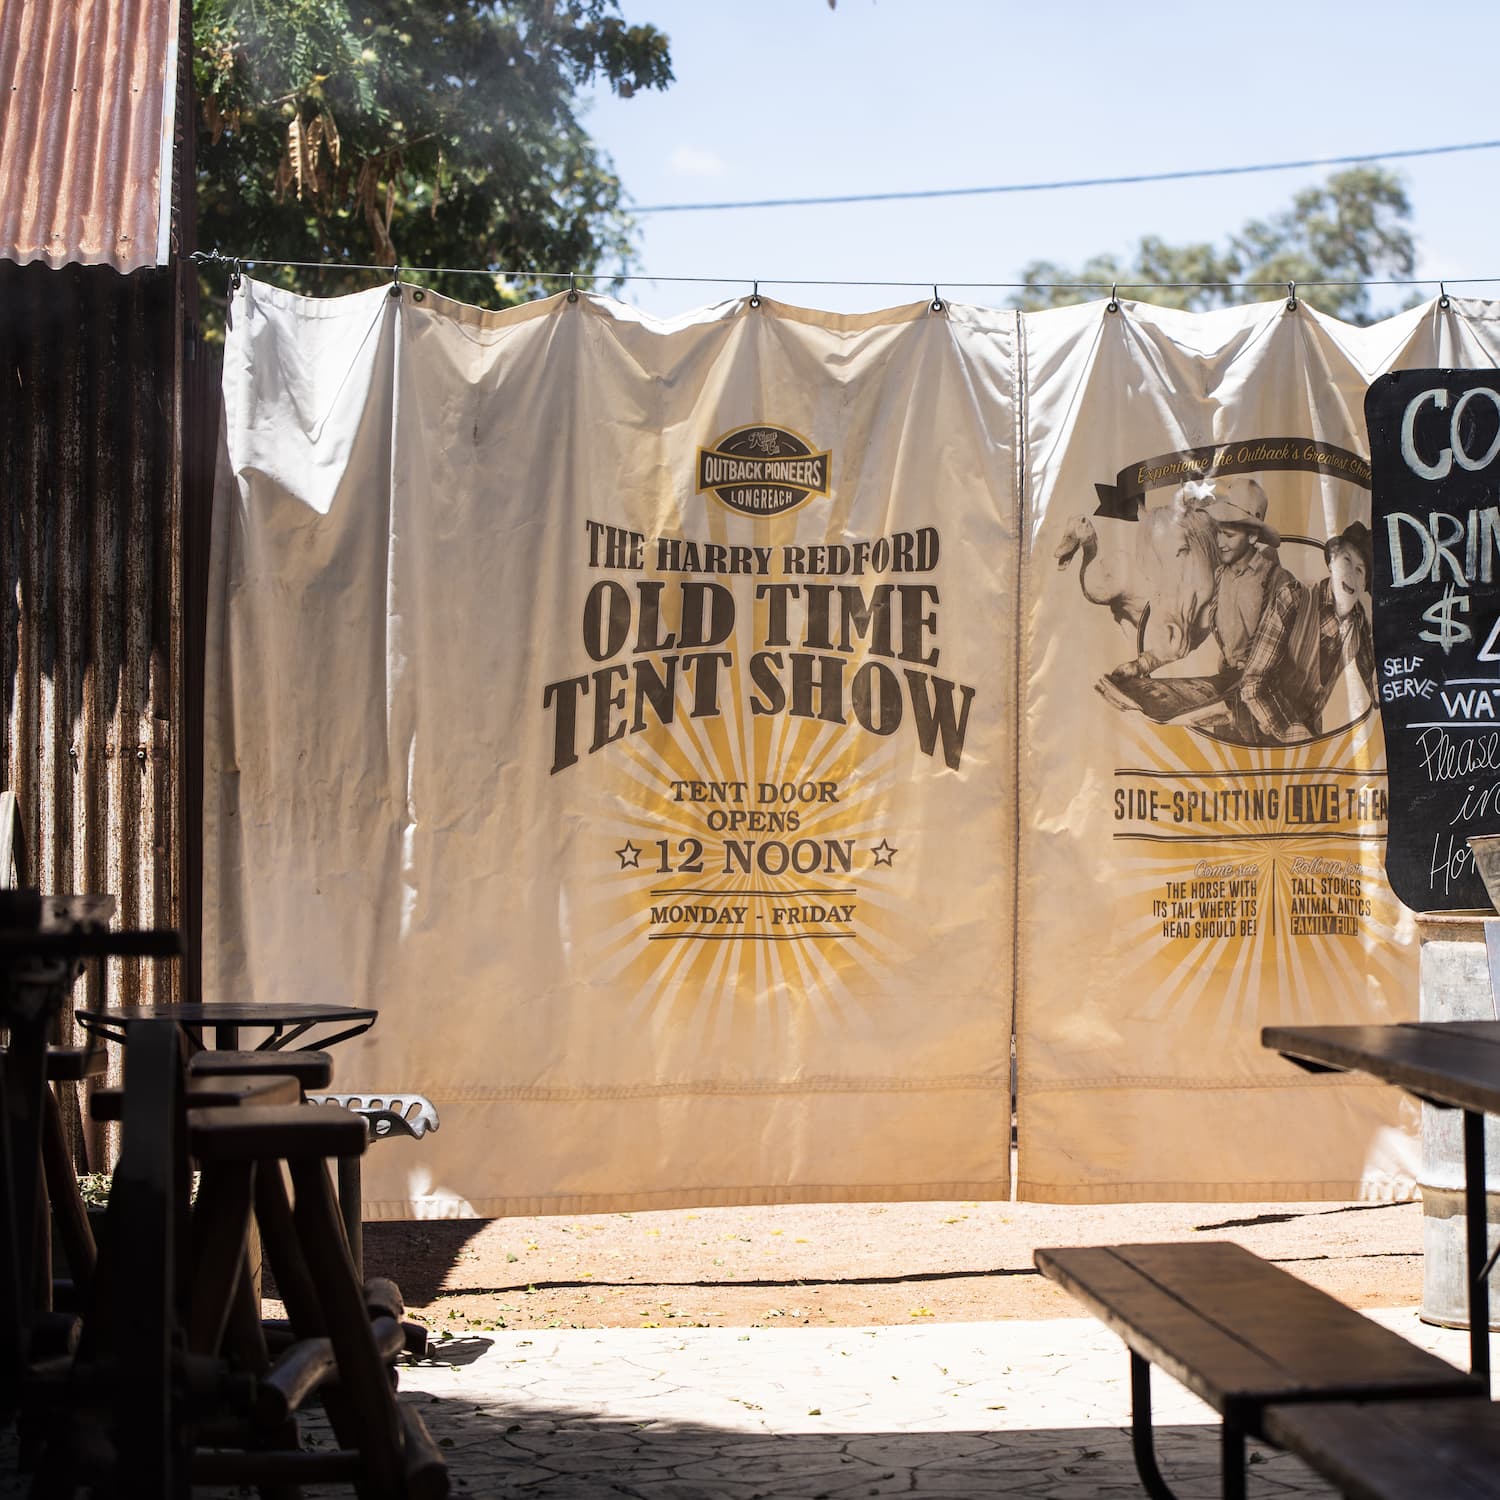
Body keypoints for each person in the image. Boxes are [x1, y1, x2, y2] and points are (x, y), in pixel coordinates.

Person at [1235, 521, 1375, 742]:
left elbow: (1377, 682)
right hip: (1255, 728)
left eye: (1360, 570)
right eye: (1346, 560)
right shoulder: (1294, 598)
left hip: (1308, 733)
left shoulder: (1359, 623)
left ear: (1365, 584)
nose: (1350, 574)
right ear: (1332, 561)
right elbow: (1253, 682)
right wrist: (1293, 732)